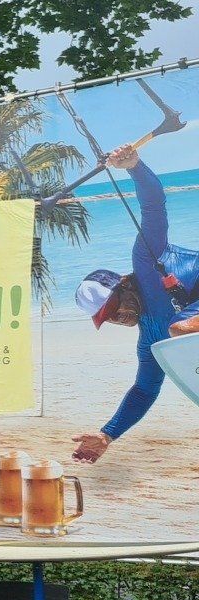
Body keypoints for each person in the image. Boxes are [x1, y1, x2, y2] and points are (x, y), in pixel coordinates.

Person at [71, 143, 199, 463]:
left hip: (187, 319)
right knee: (175, 337)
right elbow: (144, 391)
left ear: (124, 285)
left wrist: (134, 167)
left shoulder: (145, 260)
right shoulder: (149, 339)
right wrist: (107, 434)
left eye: (113, 308)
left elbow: (154, 206)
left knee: (180, 329)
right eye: (107, 318)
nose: (117, 318)